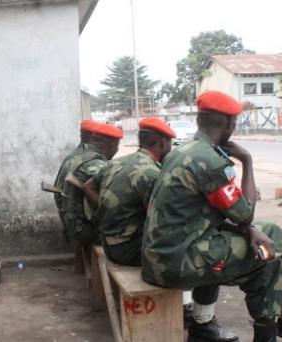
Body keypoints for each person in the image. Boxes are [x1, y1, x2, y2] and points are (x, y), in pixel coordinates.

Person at [141, 90, 282, 342]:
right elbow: (244, 213)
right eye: (235, 123)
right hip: (175, 263)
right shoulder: (209, 161)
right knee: (268, 256)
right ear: (228, 124)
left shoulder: (184, 150)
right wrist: (247, 161)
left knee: (266, 235)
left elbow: (216, 214)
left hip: (162, 255)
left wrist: (250, 228)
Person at [85, 117, 238, 342]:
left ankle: (187, 307)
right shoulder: (151, 173)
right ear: (162, 143)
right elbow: (162, 221)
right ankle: (198, 319)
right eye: (169, 144)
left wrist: (112, 211)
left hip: (109, 242)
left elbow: (88, 185)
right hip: (127, 249)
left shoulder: (118, 162)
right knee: (204, 249)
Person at [61, 123, 122, 245]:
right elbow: (117, 189)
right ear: (110, 146)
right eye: (117, 146)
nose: (117, 150)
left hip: (71, 222)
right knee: (130, 236)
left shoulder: (80, 155)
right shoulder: (95, 163)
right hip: (81, 229)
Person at [53, 119, 98, 239]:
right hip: (80, 223)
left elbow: (56, 190)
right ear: (94, 136)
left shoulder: (71, 157)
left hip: (68, 218)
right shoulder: (91, 159)